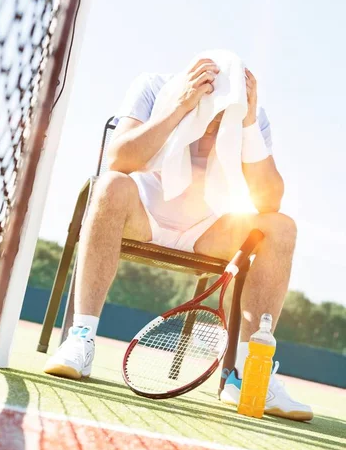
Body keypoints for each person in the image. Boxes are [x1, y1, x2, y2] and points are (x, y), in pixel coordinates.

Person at [44, 56, 313, 422]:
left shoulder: (251, 115)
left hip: (208, 229)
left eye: (226, 114)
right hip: (143, 215)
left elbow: (269, 201)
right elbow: (120, 158)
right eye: (212, 110)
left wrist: (247, 125)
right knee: (110, 185)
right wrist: (177, 110)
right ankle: (80, 338)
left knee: (281, 226)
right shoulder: (153, 86)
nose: (216, 123)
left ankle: (250, 376)